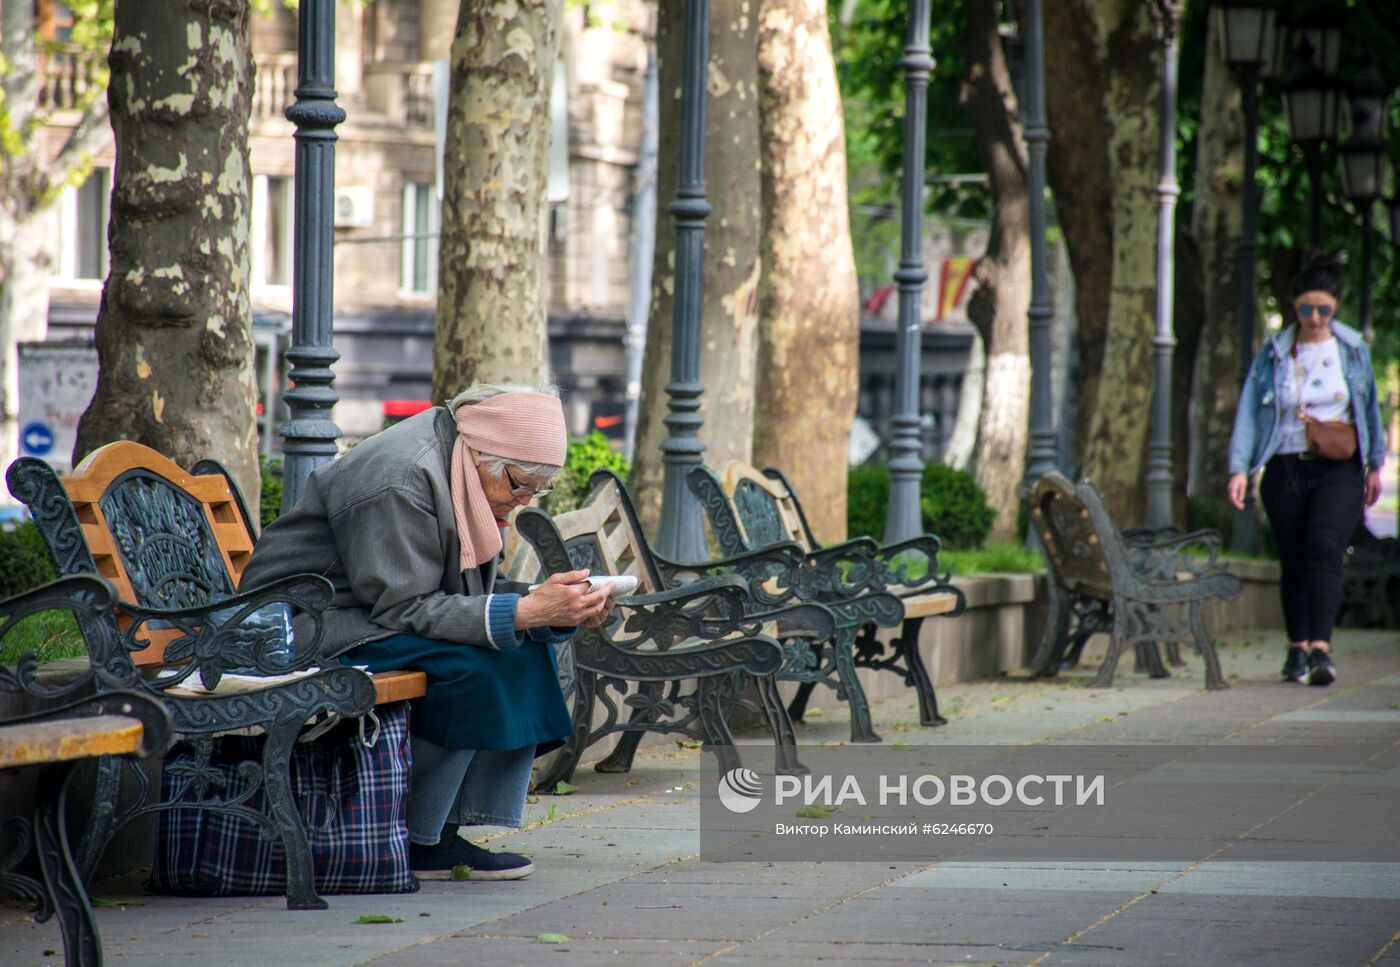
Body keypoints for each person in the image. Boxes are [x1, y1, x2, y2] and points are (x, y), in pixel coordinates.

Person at [241, 384, 614, 881]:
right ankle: (422, 838)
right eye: (521, 486)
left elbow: (453, 590)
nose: (523, 502)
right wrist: (525, 611)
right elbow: (406, 606)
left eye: (537, 492)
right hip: (303, 626)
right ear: (484, 457)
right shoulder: (402, 477)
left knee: (520, 650)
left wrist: (555, 607)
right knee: (469, 666)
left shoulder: (462, 466)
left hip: (370, 611)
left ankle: (445, 829)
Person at [1227, 252, 1384, 687]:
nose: (1314, 318)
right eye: (1305, 309)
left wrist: (1374, 465)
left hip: (1339, 468)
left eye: (1324, 310)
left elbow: (1368, 409)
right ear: (1294, 306)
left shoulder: (1352, 351)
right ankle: (1296, 648)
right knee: (1293, 558)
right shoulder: (1275, 352)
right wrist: (1239, 468)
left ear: (1336, 307)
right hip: (1284, 466)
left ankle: (1321, 648)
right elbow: (1248, 413)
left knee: (1323, 548)